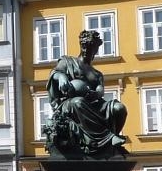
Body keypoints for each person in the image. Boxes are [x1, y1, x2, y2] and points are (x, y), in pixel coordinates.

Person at [44, 30, 128, 158]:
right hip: (70, 104)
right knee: (78, 102)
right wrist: (61, 77)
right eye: (84, 46)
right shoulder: (67, 61)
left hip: (92, 105)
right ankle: (109, 138)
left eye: (90, 47)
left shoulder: (97, 74)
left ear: (96, 49)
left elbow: (100, 90)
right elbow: (54, 73)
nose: (86, 50)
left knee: (119, 108)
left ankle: (110, 143)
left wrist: (96, 94)